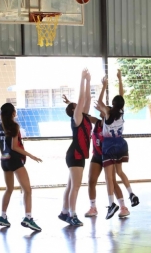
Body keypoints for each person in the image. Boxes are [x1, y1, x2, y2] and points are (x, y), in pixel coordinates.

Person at [76, 76, 130, 218]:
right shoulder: (97, 122)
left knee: (112, 181)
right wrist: (72, 105)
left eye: (103, 108)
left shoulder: (108, 119)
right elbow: (83, 115)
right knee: (91, 180)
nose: (100, 109)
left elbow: (106, 104)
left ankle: (123, 207)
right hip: (98, 155)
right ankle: (93, 207)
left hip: (109, 155)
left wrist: (105, 86)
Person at [95, 70, 139, 220]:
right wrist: (120, 79)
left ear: (112, 104)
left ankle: (111, 204)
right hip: (121, 144)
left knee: (109, 178)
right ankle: (131, 193)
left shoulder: (107, 112)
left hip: (109, 146)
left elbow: (99, 102)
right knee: (120, 172)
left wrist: (104, 86)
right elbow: (121, 96)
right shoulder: (121, 111)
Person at [0, 102, 43, 232]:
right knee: (27, 190)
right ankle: (28, 217)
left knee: (9, 189)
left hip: (4, 160)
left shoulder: (0, 126)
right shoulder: (14, 126)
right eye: (14, 110)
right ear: (12, 113)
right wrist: (32, 156)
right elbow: (15, 146)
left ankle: (3, 216)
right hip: (14, 160)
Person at [58, 69, 92, 226]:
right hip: (75, 154)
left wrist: (89, 82)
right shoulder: (77, 117)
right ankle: (72, 214)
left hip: (77, 154)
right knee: (76, 186)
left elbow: (87, 98)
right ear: (73, 110)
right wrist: (81, 79)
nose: (79, 105)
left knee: (71, 185)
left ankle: (64, 212)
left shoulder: (83, 115)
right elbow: (82, 97)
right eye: (75, 105)